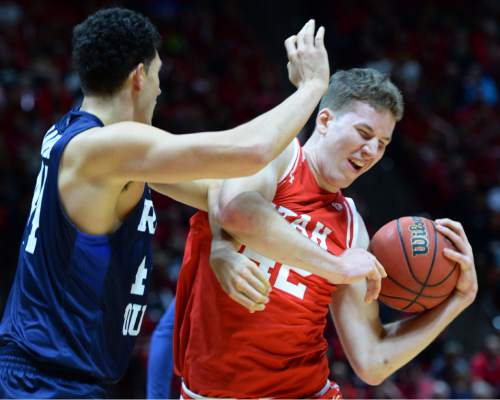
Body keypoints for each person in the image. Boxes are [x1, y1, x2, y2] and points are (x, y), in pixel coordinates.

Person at [0, 8, 364, 398]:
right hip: (46, 379)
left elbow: (219, 193)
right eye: (158, 75)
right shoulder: (106, 147)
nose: (159, 90)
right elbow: (252, 150)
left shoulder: (91, 142)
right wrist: (312, 88)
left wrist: (222, 248)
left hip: (60, 374)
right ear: (139, 76)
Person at [167, 68, 478, 398]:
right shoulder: (278, 156)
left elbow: (372, 360)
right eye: (364, 132)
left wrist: (459, 300)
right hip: (211, 390)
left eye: (382, 143)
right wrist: (223, 244)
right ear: (326, 121)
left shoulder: (353, 228)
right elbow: (235, 210)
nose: (372, 150)